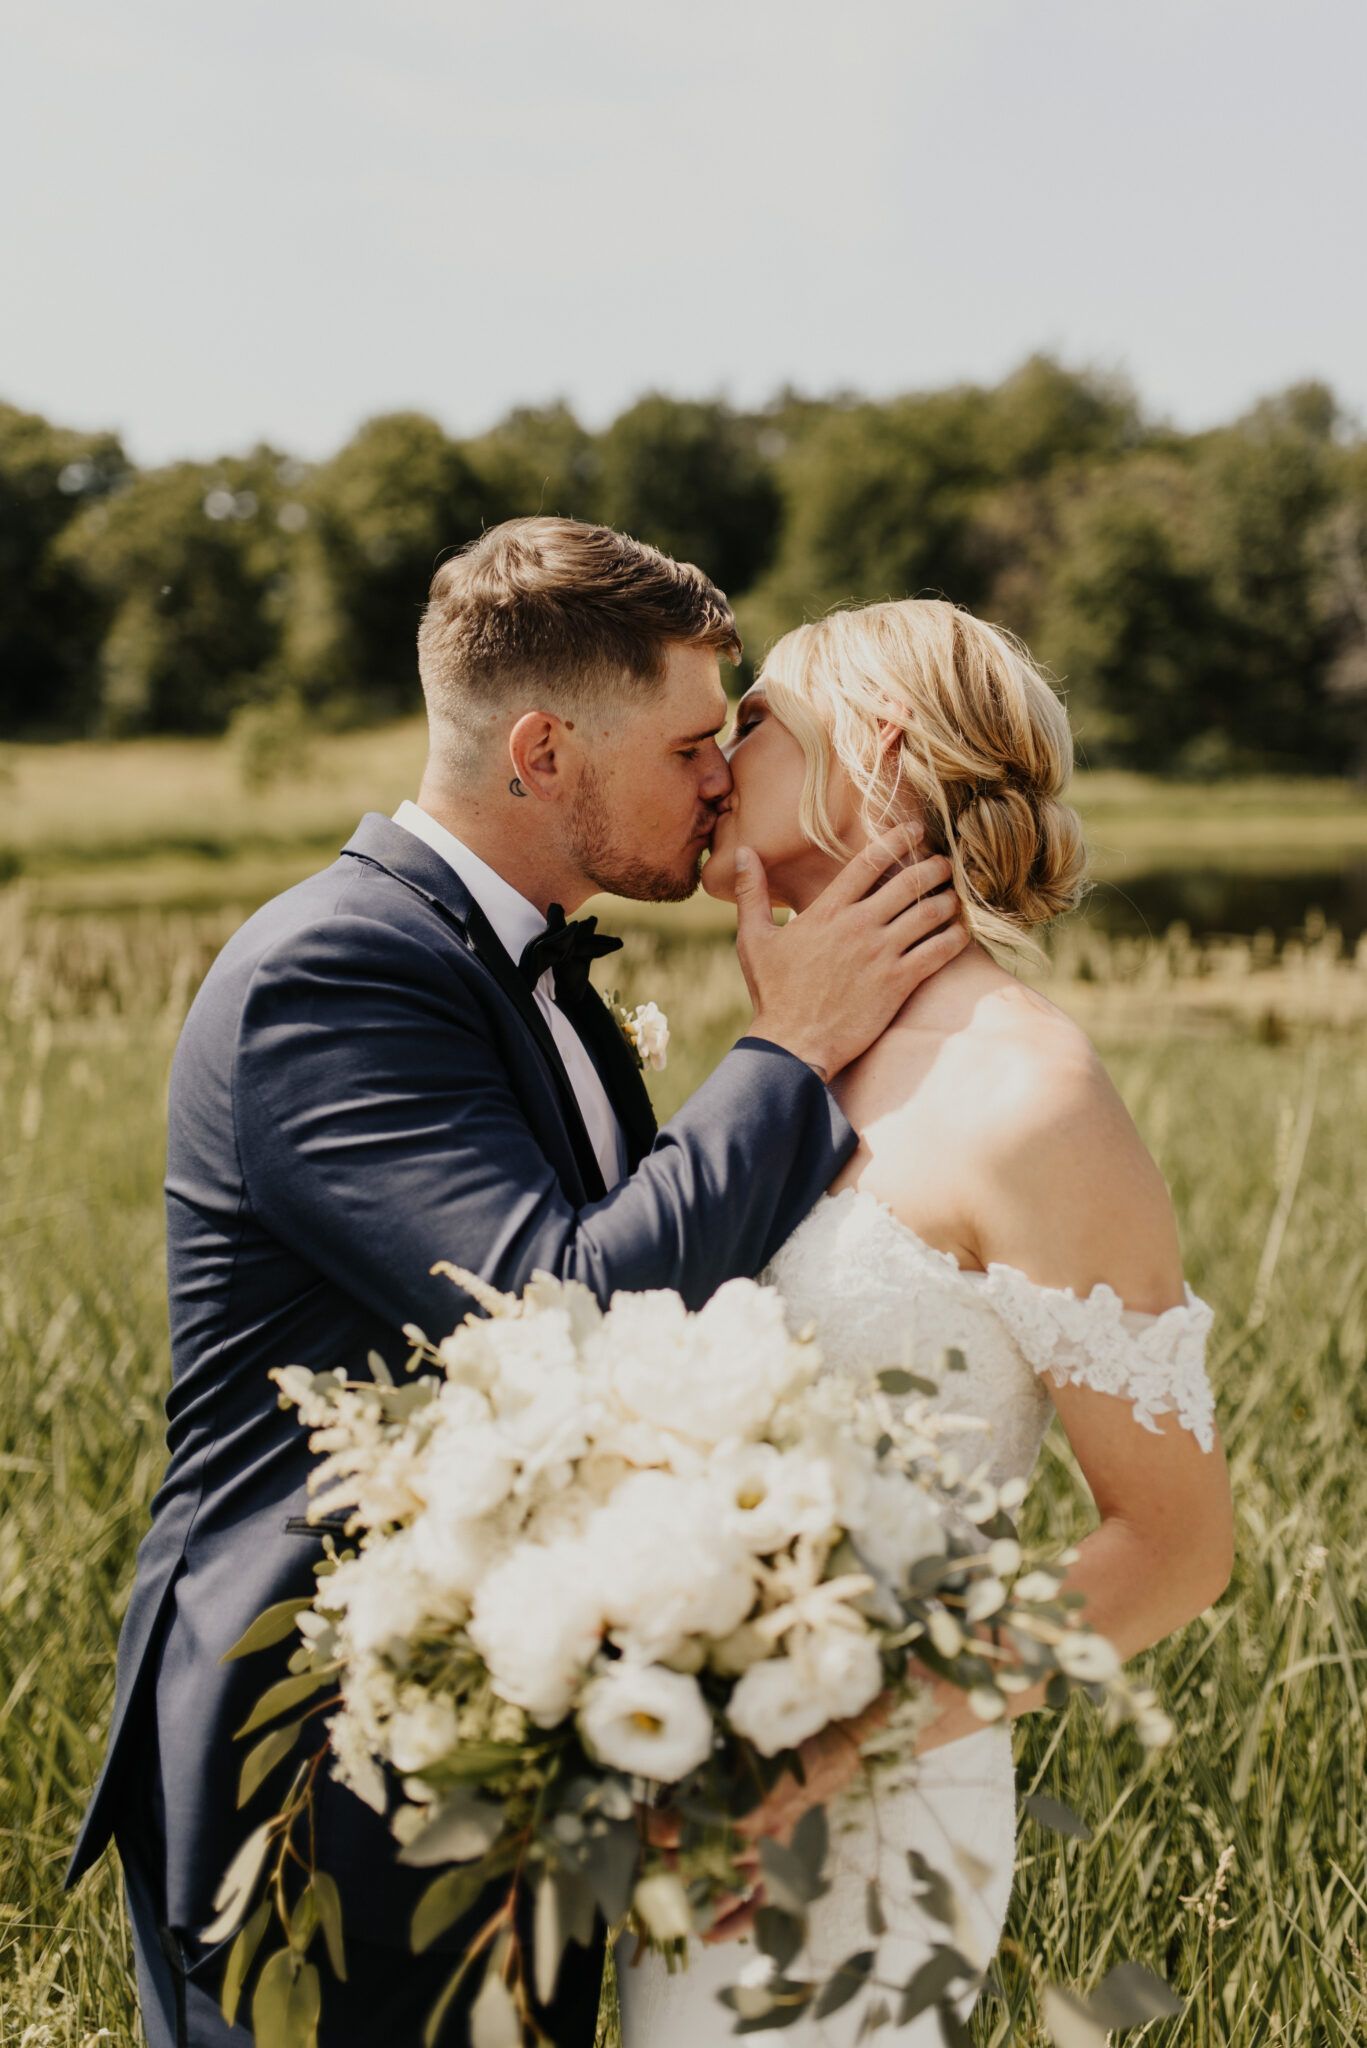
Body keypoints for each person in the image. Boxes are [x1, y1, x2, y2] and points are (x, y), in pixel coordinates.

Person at [63, 521, 967, 2048]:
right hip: (319, 1768)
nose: (721, 781)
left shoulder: (519, 964)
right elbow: (556, 1308)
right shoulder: (330, 973)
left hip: (503, 1733)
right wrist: (790, 1050)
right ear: (544, 752)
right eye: (691, 744)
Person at [617, 598, 1235, 2046]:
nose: (714, 757)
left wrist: (814, 1762)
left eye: (754, 721)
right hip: (688, 1805)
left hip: (869, 1817)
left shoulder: (1030, 1095)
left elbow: (1175, 1546)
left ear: (874, 750)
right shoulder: (798, 1061)